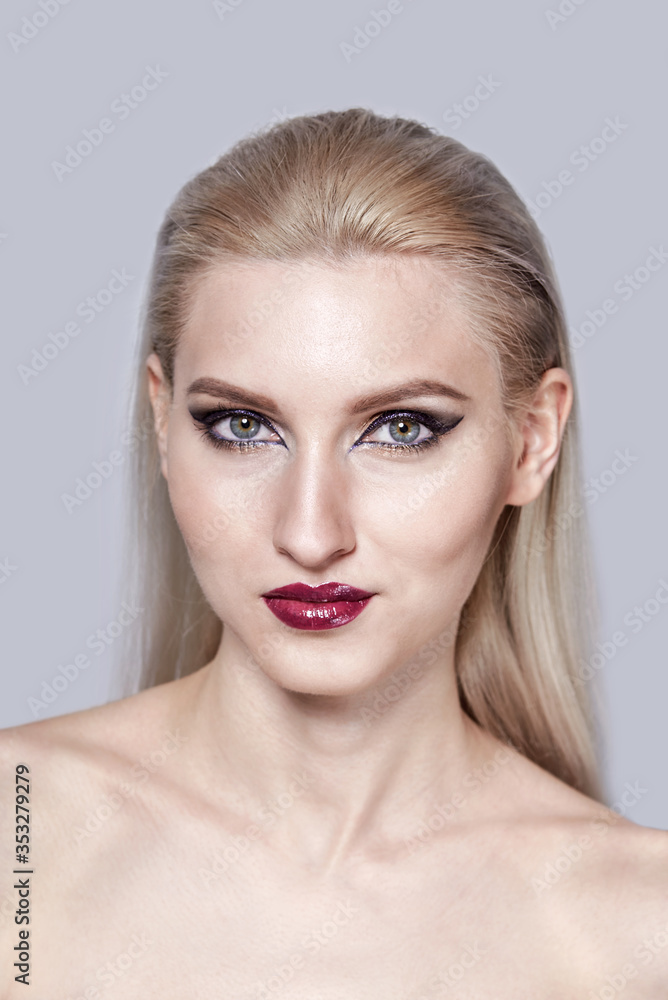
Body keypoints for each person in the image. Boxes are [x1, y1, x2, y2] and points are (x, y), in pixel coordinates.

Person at [1, 108, 666, 998]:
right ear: (162, 421)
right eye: (243, 426)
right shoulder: (17, 839)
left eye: (402, 429)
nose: (311, 534)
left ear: (532, 440)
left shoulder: (642, 931)